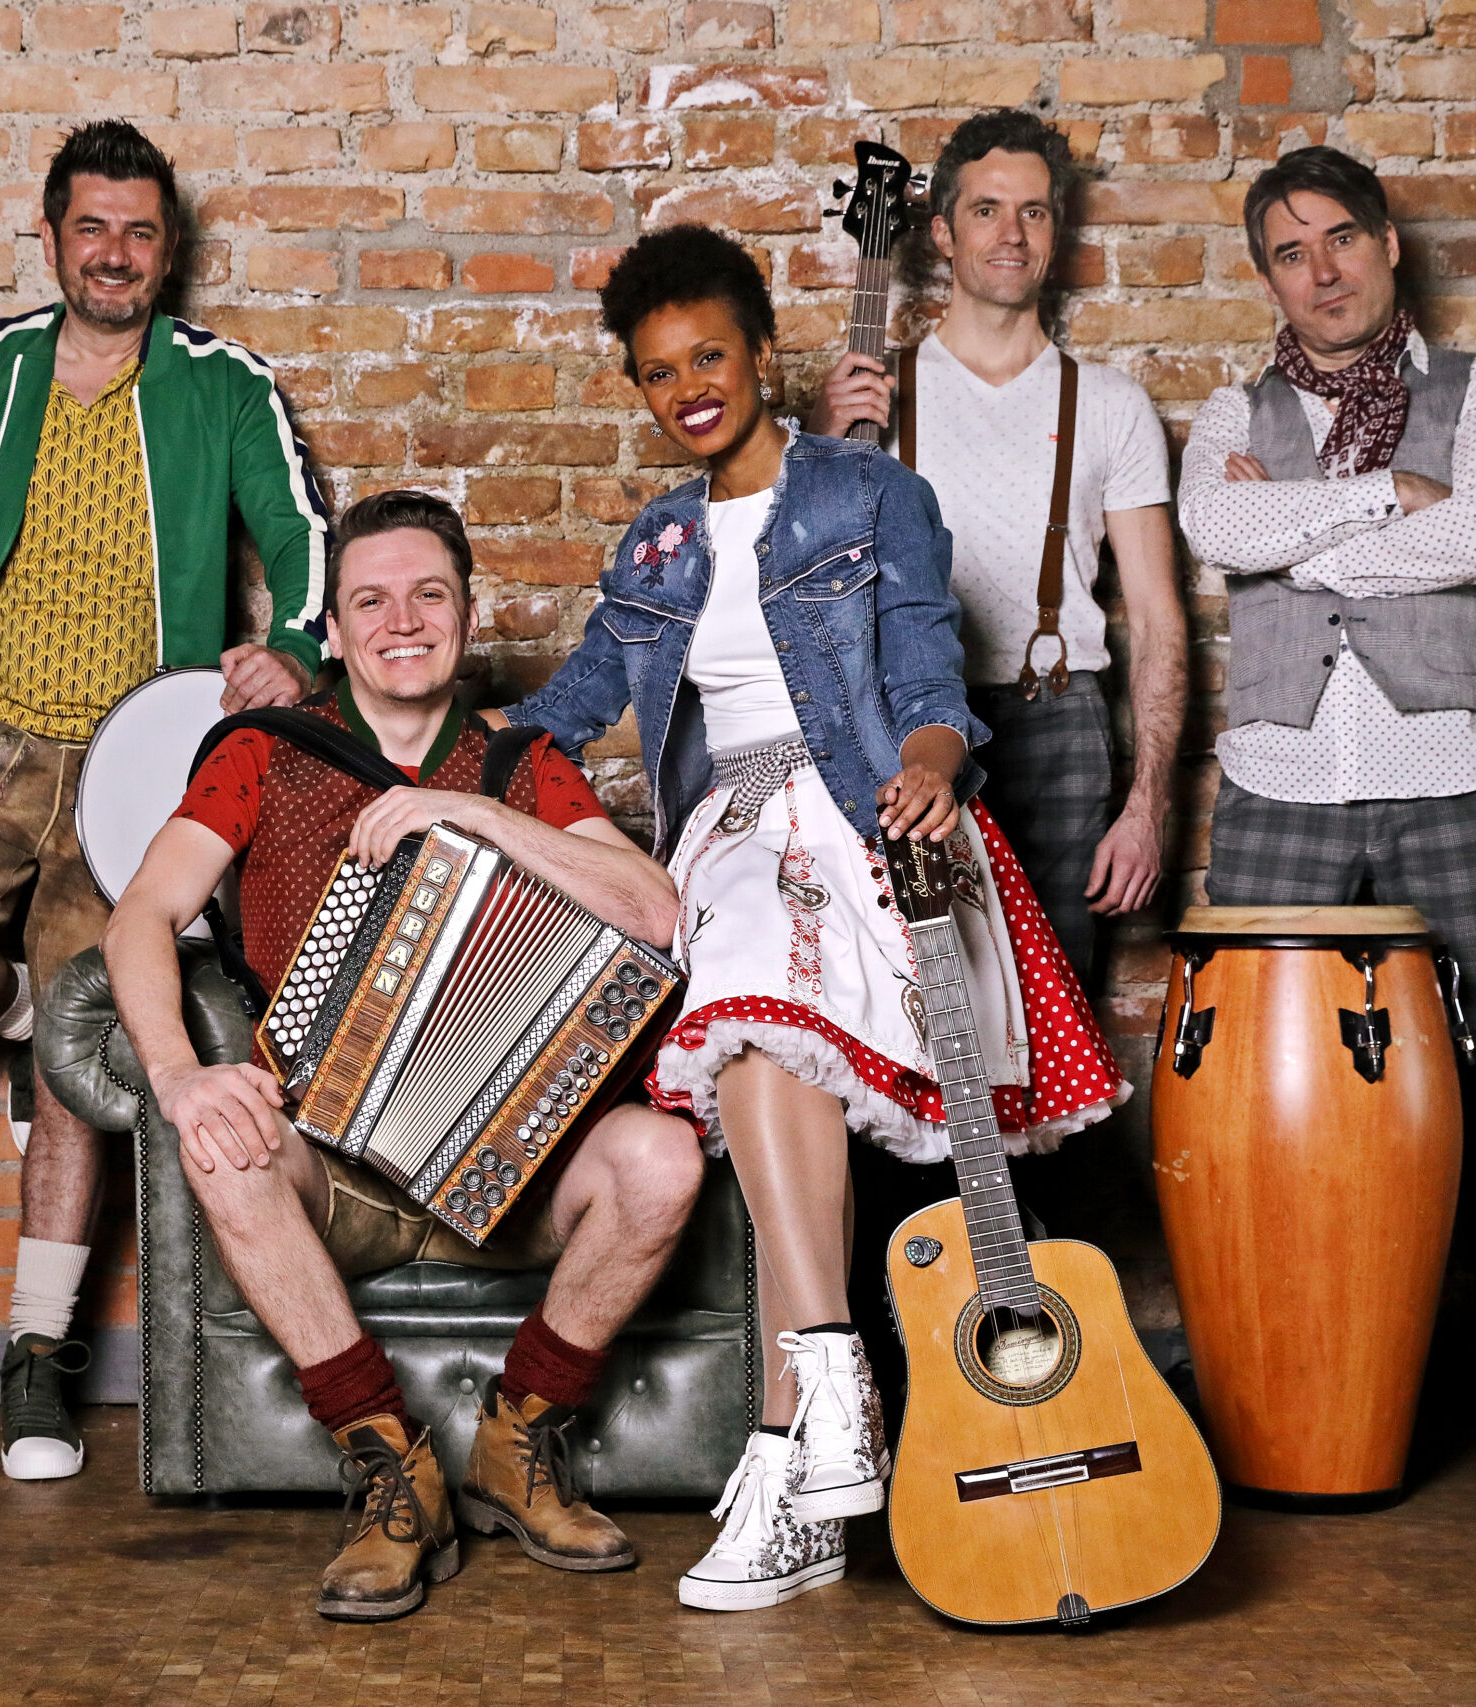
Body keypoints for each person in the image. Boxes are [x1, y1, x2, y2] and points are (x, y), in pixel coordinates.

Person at [506, 226, 1128, 1610]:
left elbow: (929, 667)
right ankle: (820, 1418)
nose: (690, 390)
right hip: (736, 829)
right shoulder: (658, 542)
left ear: (762, 351)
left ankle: (802, 1433)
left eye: (710, 357)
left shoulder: (870, 492)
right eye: (659, 373)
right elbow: (567, 707)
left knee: (750, 1022)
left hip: (872, 818)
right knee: (754, 1032)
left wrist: (933, 763)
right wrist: (375, 715)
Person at [102, 491, 706, 1622]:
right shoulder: (263, 752)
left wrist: (470, 816)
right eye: (371, 602)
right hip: (334, 1166)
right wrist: (180, 1076)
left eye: (430, 595)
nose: (403, 621)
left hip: (517, 1164)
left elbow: (655, 910)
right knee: (223, 1150)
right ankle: (391, 1464)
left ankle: (517, 1443)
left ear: (467, 618)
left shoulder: (524, 763)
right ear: (331, 631)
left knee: (664, 1159)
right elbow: (142, 915)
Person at [0, 121, 329, 1483]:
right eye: (93, 229)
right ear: (53, 238)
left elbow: (304, 544)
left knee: (79, 1068)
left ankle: (38, 1351)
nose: (115, 254)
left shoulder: (224, 384)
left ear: (169, 252)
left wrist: (293, 647)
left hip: (142, 764)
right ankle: (33, 1022)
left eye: (141, 233)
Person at [1177, 145, 1476, 1488]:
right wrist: (1389, 495)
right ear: (1267, 275)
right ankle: (1250, 1371)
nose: (1320, 270)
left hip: (1450, 775)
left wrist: (1299, 535)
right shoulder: (1230, 407)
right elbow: (1219, 532)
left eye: (1340, 238)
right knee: (1253, 1104)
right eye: (1290, 252)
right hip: (1278, 784)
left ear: (1387, 245)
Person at [807, 108, 1186, 981]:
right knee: (907, 996)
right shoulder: (870, 396)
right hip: (903, 726)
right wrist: (822, 441)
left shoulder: (1110, 404)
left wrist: (1149, 807)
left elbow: (1159, 621)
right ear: (942, 232)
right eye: (986, 210)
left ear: (1056, 231)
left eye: (1033, 211)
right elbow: (805, 571)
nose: (1011, 234)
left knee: (1060, 1004)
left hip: (1057, 720)